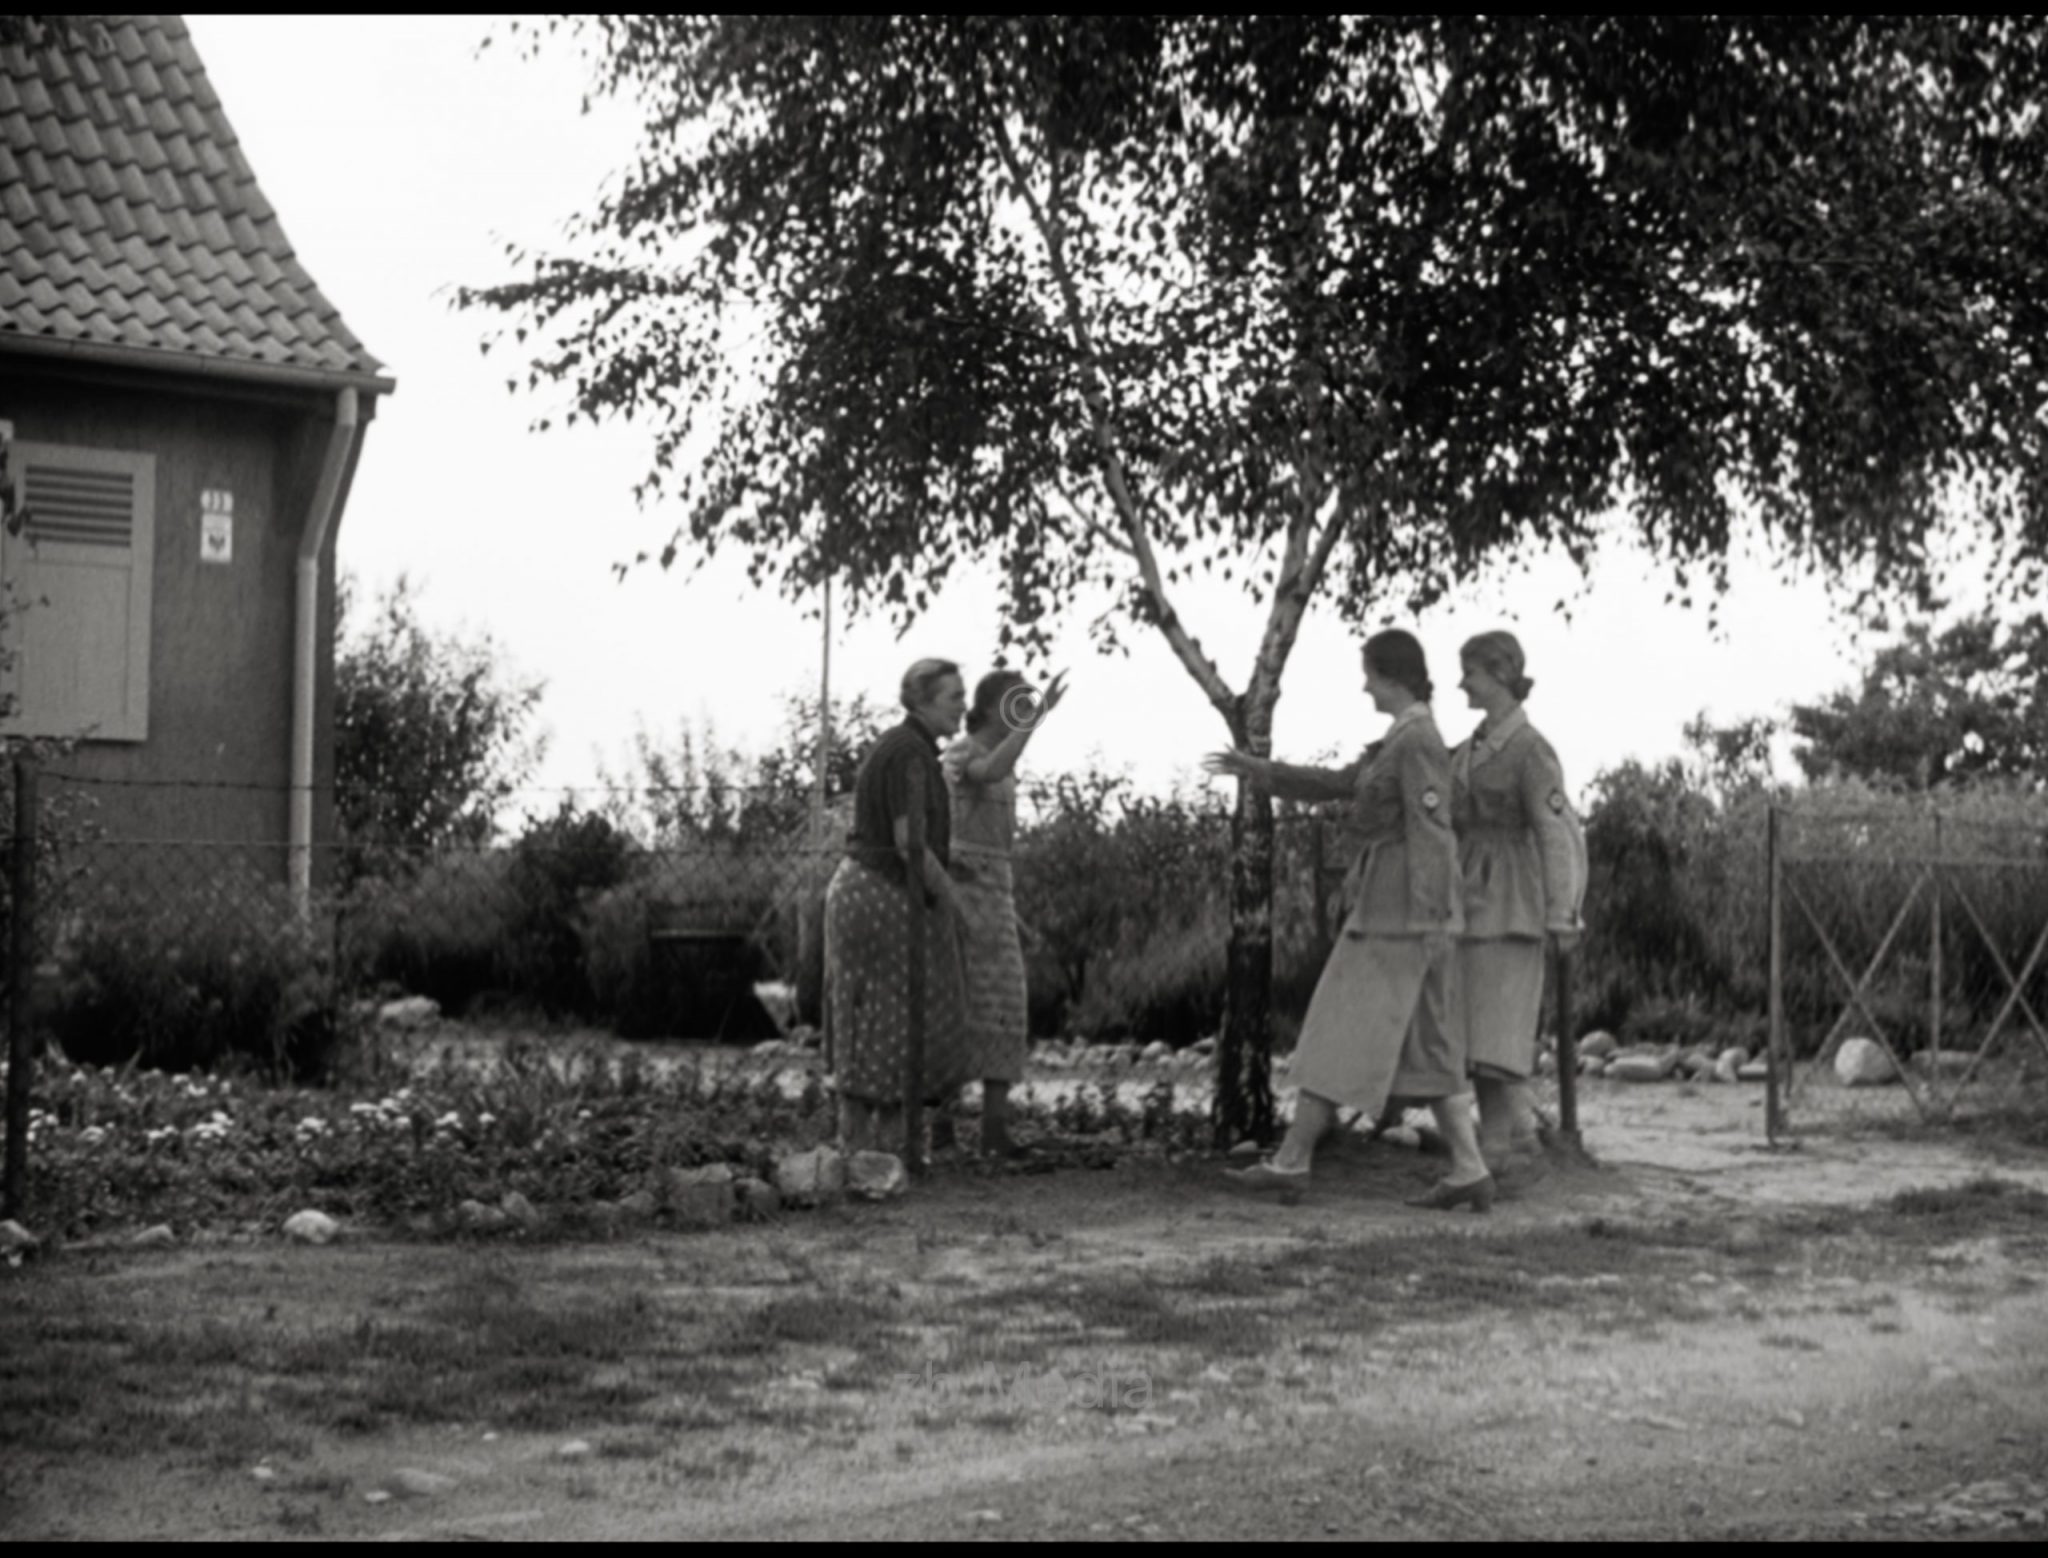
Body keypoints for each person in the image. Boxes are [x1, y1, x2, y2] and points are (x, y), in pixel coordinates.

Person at [1203, 629, 1495, 1211]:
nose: (1364, 686)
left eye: (1369, 674)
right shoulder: (1402, 739)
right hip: (1408, 914)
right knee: (1430, 1045)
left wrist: (1434, 916)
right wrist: (1260, 771)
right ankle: (1468, 1169)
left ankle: (1293, 1161)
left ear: (1391, 675)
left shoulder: (1415, 742)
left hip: (1400, 917)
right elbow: (1340, 784)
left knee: (1338, 1027)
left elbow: (1432, 831)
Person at [823, 658, 974, 1153]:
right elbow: (909, 841)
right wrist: (956, 904)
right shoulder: (908, 754)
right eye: (954, 697)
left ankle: (880, 1146)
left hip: (879, 890)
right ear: (924, 702)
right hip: (878, 892)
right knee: (882, 1018)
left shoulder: (914, 751)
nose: (963, 706)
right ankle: (868, 1149)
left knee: (885, 1018)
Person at [1449, 631, 1586, 1174]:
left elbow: (1555, 832)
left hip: (1511, 905)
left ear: (1500, 675)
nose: (1462, 683)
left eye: (1472, 673)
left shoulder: (1532, 750)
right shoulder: (1470, 747)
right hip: (1469, 899)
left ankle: (1509, 1145)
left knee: (1499, 1029)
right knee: (1474, 1030)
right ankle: (1509, 1141)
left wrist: (1562, 912)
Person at [942, 668, 1069, 1157]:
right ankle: (944, 1123)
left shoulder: (1002, 759)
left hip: (995, 895)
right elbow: (986, 771)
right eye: (1016, 703)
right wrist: (1035, 722)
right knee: (957, 1004)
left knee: (1004, 1005)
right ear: (995, 706)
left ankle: (993, 1129)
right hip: (960, 891)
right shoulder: (962, 752)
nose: (1023, 712)